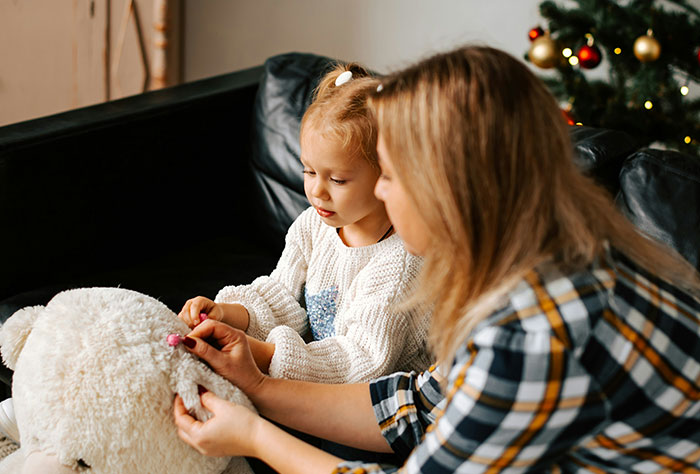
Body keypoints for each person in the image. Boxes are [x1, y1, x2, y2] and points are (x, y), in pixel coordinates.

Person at [173, 46, 700, 473]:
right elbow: (423, 404)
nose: (380, 191)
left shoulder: (536, 330)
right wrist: (260, 386)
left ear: (449, 194)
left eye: (390, 176)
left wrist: (254, 437)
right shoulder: (543, 267)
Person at [178, 62, 431, 384]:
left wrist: (263, 354)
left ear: (388, 173)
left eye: (337, 180)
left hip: (377, 404)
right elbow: (282, 295)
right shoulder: (313, 224)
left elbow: (362, 363)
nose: (316, 192)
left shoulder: (398, 264)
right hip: (315, 377)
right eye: (309, 171)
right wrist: (226, 314)